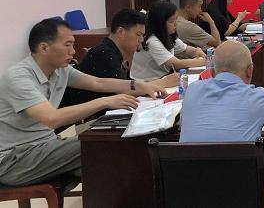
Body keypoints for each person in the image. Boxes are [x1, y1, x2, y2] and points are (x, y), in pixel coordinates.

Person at [0, 19, 164, 186]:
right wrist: (105, 101)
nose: (73, 51)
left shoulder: (61, 71)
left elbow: (97, 83)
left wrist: (138, 85)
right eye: (68, 45)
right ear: (44, 48)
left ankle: (125, 194)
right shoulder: (18, 78)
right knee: (99, 145)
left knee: (114, 129)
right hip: (14, 160)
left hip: (47, 146)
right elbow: (52, 118)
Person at [180, 40, 264, 142]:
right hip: (239, 167)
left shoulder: (191, 90)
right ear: (250, 71)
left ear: (212, 72)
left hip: (187, 166)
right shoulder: (261, 98)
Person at [62, 9, 178, 109]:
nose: (141, 40)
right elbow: (124, 90)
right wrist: (164, 82)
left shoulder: (116, 51)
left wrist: (155, 83)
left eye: (142, 35)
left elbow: (127, 84)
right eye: (138, 34)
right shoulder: (104, 53)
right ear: (121, 32)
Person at [130, 0, 207, 80]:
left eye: (176, 20)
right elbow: (176, 64)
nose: (176, 24)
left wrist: (197, 51)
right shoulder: (152, 41)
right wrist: (205, 61)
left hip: (162, 78)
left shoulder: (168, 35)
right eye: (172, 21)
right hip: (145, 82)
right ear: (160, 23)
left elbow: (186, 49)